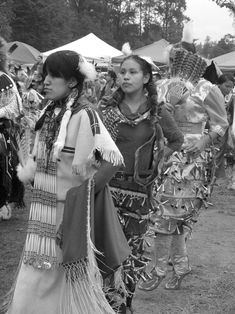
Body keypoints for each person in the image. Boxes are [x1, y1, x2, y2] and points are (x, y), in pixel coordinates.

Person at [2, 50, 130, 314]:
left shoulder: (85, 115)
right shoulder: (48, 112)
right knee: (36, 272)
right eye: (45, 75)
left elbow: (112, 160)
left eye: (54, 76)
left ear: (72, 81)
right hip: (42, 209)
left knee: (62, 277)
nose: (45, 81)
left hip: (66, 214)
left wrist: (80, 199)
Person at [138, 35, 229, 292]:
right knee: (167, 213)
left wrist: (204, 141)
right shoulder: (162, 84)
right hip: (163, 153)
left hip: (190, 160)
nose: (174, 60)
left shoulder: (206, 88)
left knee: (169, 214)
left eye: (178, 55)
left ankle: (157, 269)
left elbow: (221, 123)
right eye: (172, 56)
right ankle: (179, 266)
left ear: (191, 57)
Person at [99, 54, 184, 313]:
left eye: (132, 72)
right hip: (106, 190)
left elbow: (176, 140)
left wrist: (157, 161)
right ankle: (103, 303)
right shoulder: (106, 110)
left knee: (131, 252)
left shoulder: (158, 112)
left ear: (146, 78)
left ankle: (125, 304)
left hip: (138, 194)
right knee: (104, 249)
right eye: (122, 72)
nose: (125, 76)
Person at [0, 36, 24, 221]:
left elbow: (15, 107)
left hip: (1, 132)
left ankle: (4, 201)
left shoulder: (4, 79)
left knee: (4, 165)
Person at [214, 73, 234, 182]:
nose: (229, 89)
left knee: (220, 151)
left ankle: (214, 177)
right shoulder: (212, 95)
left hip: (223, 129)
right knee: (213, 152)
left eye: (231, 87)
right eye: (227, 86)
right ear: (218, 84)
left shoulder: (229, 97)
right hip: (212, 128)